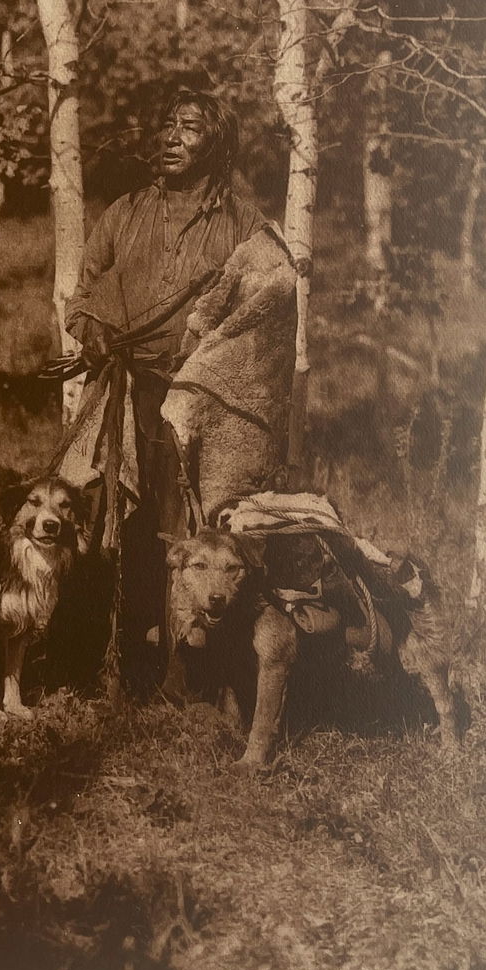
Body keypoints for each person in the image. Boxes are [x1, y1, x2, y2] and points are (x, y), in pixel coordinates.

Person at [65, 87, 284, 690]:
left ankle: (186, 673)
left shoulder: (245, 226)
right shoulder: (125, 212)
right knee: (119, 523)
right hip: (126, 395)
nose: (170, 138)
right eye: (166, 124)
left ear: (216, 142)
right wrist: (94, 332)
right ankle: (116, 659)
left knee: (188, 529)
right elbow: (81, 299)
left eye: (187, 128)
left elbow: (270, 306)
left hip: (200, 409)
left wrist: (210, 352)